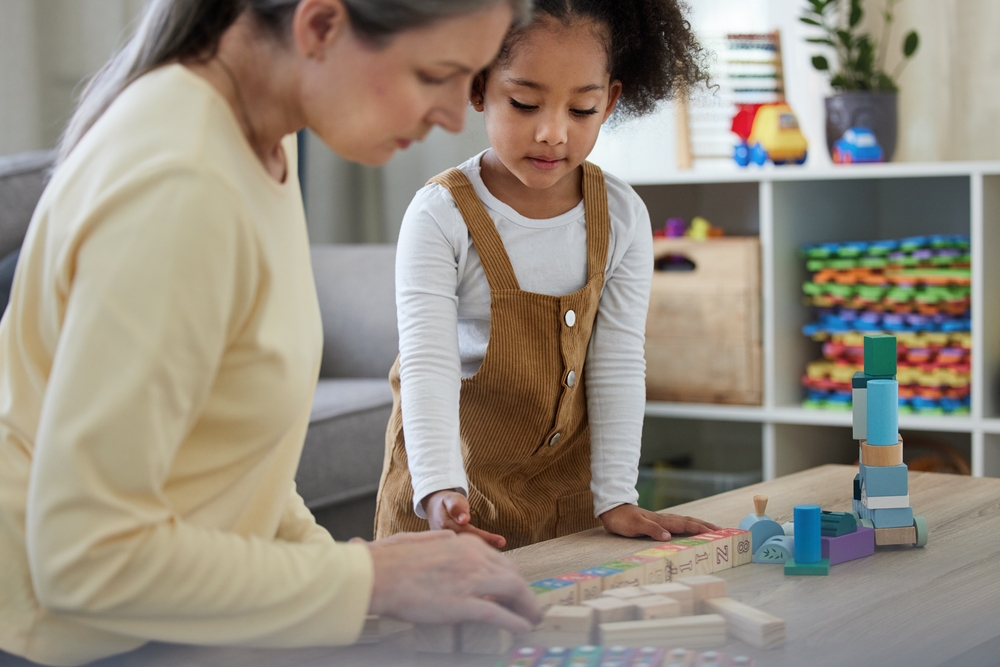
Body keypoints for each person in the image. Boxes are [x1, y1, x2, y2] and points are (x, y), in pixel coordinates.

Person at [0, 1, 542, 665]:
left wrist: (354, 573)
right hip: (72, 639)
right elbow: (84, 556)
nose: (455, 117)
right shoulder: (181, 182)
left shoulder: (261, 132)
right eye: (435, 75)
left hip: (162, 617)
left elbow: (228, 446)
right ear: (319, 27)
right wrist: (368, 579)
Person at [375, 0, 721, 551]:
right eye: (524, 103)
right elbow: (426, 363)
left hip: (565, 497)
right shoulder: (440, 215)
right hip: (449, 495)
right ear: (478, 85)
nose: (552, 133)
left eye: (581, 110)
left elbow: (617, 360)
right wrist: (438, 486)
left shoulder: (622, 215)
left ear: (609, 101)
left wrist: (616, 496)